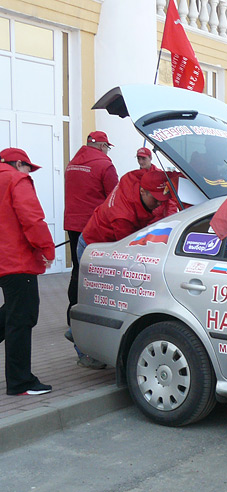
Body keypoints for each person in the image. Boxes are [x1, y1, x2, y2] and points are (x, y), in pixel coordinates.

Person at [0, 148, 55, 396]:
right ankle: (20, 382)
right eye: (28, 167)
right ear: (18, 164)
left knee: (12, 313)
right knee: (22, 318)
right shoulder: (17, 180)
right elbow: (32, 219)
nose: (29, 173)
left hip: (5, 260)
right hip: (17, 260)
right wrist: (47, 249)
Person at [64, 131, 119, 330]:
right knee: (96, 272)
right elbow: (115, 198)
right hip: (93, 228)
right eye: (107, 147)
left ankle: (72, 312)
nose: (107, 151)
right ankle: (90, 315)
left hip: (72, 223)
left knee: (77, 268)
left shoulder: (72, 163)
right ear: (103, 146)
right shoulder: (105, 165)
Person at [79, 169, 174, 258]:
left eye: (162, 198)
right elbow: (128, 250)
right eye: (156, 199)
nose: (160, 203)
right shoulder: (123, 217)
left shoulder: (135, 177)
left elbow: (168, 177)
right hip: (93, 246)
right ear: (142, 191)